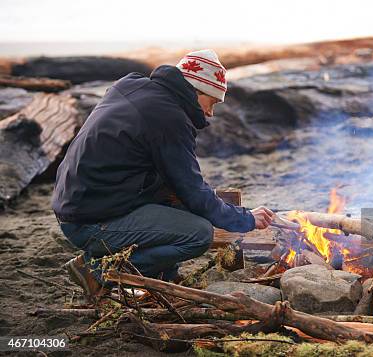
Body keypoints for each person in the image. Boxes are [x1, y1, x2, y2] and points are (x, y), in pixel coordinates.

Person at [51, 50, 274, 302]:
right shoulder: (169, 117)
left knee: (179, 204)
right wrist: (245, 219)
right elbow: (192, 189)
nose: (211, 113)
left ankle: (164, 277)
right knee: (198, 233)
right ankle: (97, 270)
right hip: (89, 221)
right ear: (197, 90)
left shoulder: (132, 86)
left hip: (79, 201)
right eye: (212, 102)